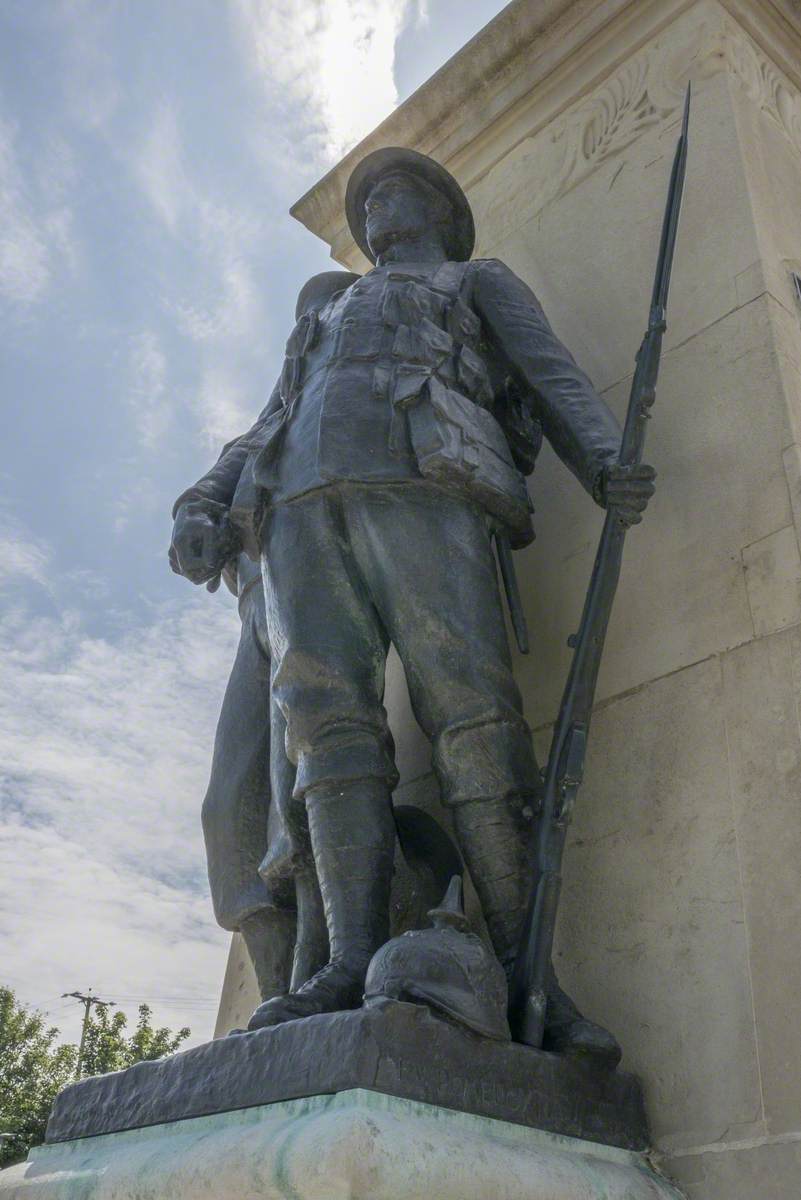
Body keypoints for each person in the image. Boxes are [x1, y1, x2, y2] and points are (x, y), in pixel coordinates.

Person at [169, 148, 655, 1063]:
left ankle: (529, 977)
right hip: (300, 510)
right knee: (327, 732)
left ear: (436, 209)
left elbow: (548, 376)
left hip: (427, 485)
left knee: (473, 718)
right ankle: (348, 961)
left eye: (390, 194)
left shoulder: (475, 280)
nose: (374, 213)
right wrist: (201, 497)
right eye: (366, 204)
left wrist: (599, 461)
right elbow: (271, 416)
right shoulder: (324, 306)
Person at [170, 271, 360, 1003]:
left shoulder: (342, 409)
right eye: (300, 324)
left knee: (296, 798)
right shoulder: (269, 420)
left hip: (312, 597)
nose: (306, 335)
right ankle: (278, 992)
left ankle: (312, 978)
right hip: (255, 608)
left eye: (319, 320)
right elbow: (213, 485)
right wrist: (191, 519)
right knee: (229, 808)